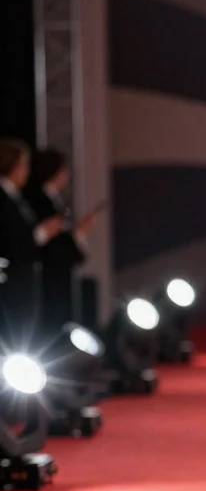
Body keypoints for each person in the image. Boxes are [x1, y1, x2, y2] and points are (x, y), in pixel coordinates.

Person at [24, 147, 100, 333]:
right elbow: (48, 243)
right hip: (47, 278)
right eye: (63, 169)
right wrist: (76, 233)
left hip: (58, 277)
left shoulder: (52, 199)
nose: (67, 174)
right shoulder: (38, 200)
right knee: (51, 325)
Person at [0, 139, 64, 347]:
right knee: (15, 336)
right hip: (12, 284)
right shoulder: (3, 198)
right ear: (12, 165)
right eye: (24, 164)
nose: (27, 171)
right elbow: (10, 241)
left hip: (23, 282)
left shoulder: (14, 196)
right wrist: (41, 234)